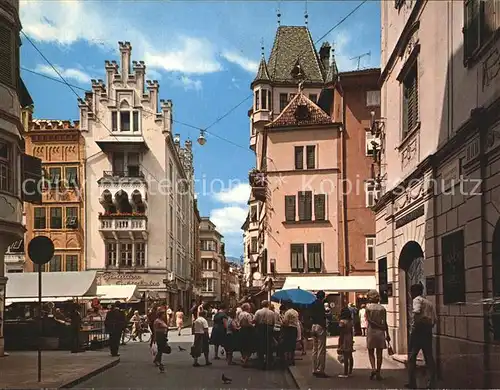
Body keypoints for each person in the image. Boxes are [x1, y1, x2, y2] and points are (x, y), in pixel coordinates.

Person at [406, 283, 437, 389]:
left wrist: (414, 327)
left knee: (411, 357)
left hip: (418, 331)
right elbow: (435, 320)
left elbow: (416, 313)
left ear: (413, 292)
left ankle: (412, 383)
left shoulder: (417, 300)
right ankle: (431, 382)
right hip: (427, 331)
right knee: (429, 356)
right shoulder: (429, 303)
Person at [365, 290, 391, 381]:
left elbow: (369, 320)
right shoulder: (382, 308)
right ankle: (378, 372)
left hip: (371, 331)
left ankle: (373, 368)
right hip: (381, 332)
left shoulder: (368, 307)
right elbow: (385, 322)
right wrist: (387, 333)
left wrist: (377, 325)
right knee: (379, 353)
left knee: (371, 351)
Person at [310, 290, 328, 378]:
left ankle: (314, 369)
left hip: (313, 326)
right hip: (320, 326)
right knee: (321, 349)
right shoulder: (321, 305)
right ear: (323, 297)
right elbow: (322, 316)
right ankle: (321, 370)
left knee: (314, 349)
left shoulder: (312, 304)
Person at [253, 300, 275, 370]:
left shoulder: (258, 312)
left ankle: (261, 362)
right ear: (268, 305)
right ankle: (269, 362)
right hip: (269, 329)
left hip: (260, 329)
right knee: (268, 345)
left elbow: (254, 320)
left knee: (260, 345)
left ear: (261, 305)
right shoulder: (272, 312)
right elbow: (273, 322)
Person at [338, 307, 354, 378]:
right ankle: (350, 371)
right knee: (350, 355)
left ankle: (345, 372)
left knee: (345, 356)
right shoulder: (350, 321)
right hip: (349, 337)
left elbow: (341, 333)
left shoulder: (342, 322)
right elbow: (351, 331)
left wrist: (339, 343)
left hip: (344, 338)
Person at [281, 302, 299, 366]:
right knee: (292, 344)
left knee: (287, 344)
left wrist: (282, 321)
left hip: (288, 329)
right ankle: (292, 359)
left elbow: (285, 322)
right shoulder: (296, 312)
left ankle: (287, 360)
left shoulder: (287, 312)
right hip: (294, 329)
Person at [237, 303, 254, 367]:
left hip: (241, 330)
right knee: (249, 345)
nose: (250, 309)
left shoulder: (240, 314)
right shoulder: (247, 314)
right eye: (249, 308)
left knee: (242, 345)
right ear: (247, 308)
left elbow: (238, 322)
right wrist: (253, 326)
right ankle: (245, 360)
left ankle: (243, 357)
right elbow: (250, 323)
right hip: (248, 330)